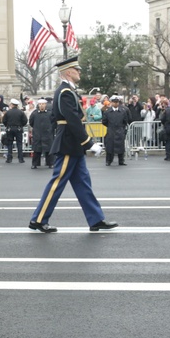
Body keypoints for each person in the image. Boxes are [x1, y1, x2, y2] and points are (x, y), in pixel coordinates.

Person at [28, 55, 117, 234]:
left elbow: (57, 118)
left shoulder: (68, 91)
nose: (79, 72)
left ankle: (96, 219)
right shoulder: (65, 92)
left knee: (83, 183)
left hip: (71, 142)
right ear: (68, 72)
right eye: (76, 70)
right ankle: (38, 219)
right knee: (58, 182)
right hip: (69, 143)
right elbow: (72, 120)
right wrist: (88, 143)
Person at [101, 95, 130, 166]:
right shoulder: (107, 112)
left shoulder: (122, 111)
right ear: (111, 103)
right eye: (114, 102)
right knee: (109, 147)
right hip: (111, 131)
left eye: (117, 102)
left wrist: (121, 128)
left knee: (121, 146)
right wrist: (110, 127)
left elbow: (125, 121)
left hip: (120, 130)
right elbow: (104, 121)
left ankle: (121, 161)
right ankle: (108, 161)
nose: (116, 104)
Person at [28, 98, 53, 168]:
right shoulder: (34, 113)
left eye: (43, 104)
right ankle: (35, 164)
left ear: (45, 105)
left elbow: (53, 122)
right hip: (37, 134)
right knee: (36, 150)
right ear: (38, 105)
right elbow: (31, 122)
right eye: (40, 104)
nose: (41, 106)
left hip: (47, 134)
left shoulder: (50, 113)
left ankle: (50, 163)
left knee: (49, 149)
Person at [1, 98, 27, 163]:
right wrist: (21, 125)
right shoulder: (21, 112)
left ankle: (9, 158)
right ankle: (20, 158)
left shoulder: (8, 112)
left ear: (12, 105)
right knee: (19, 144)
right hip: (18, 129)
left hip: (10, 129)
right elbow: (25, 121)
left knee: (9, 144)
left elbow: (4, 120)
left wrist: (7, 125)